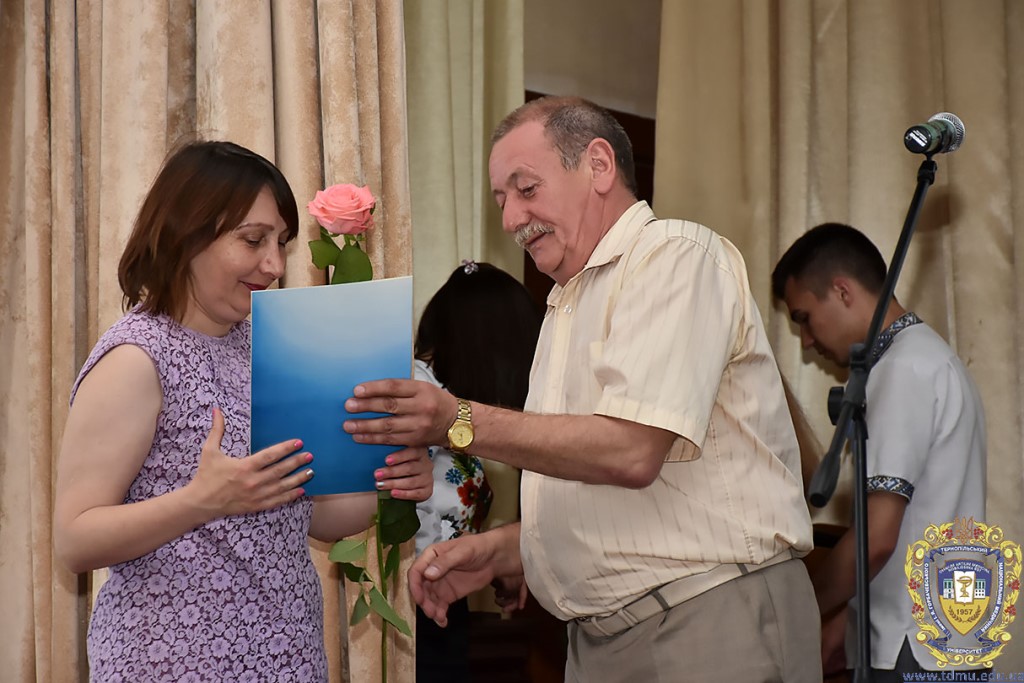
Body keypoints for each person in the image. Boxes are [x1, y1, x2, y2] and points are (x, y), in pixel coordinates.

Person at [342, 96, 820, 682]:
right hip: (598, 640)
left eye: (526, 189)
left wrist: (455, 420)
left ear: (598, 165)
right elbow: (625, 500)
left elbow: (630, 451)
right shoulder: (564, 305)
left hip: (705, 622)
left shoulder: (674, 256)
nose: (511, 220)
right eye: (501, 200)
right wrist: (507, 550)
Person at [52, 140, 433, 682]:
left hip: (288, 661)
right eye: (253, 240)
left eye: (282, 243)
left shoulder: (264, 347)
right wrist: (201, 501)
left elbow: (307, 515)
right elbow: (75, 539)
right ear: (187, 234)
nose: (274, 264)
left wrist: (387, 482)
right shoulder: (137, 357)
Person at [771, 222, 986, 680]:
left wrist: (801, 609)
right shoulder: (927, 357)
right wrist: (846, 624)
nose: (806, 341)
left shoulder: (901, 369)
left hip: (910, 647)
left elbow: (876, 539)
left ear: (842, 291)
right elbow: (909, 529)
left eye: (804, 317)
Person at [412, 259, 543, 682]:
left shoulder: (455, 406)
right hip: (413, 601)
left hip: (444, 594)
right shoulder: (418, 395)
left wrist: (502, 557)